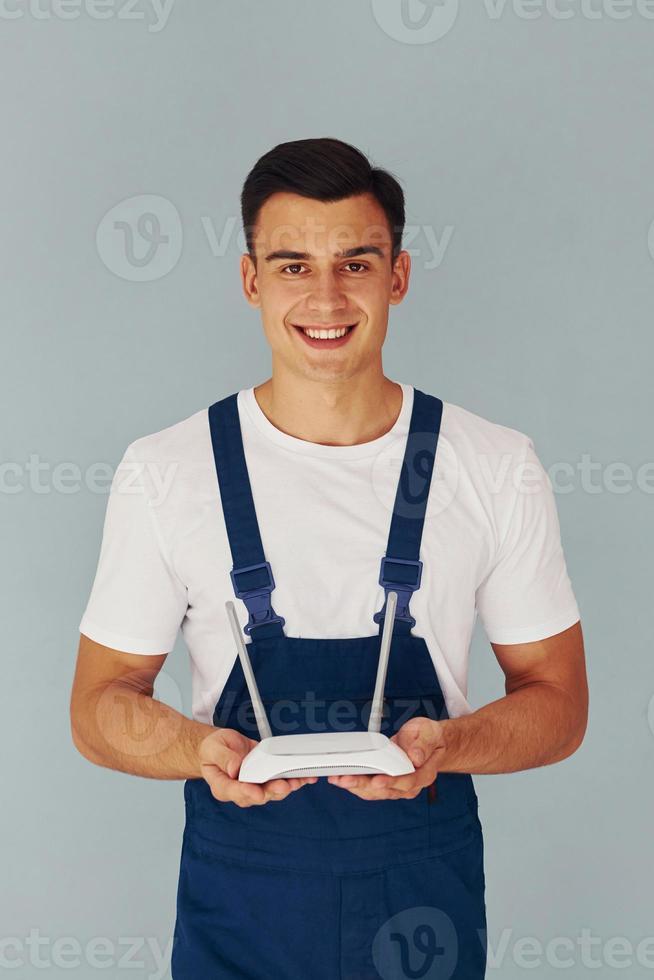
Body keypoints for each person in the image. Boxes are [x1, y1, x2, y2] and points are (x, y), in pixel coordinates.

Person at [70, 137, 588, 979]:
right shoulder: (168, 469)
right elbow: (97, 706)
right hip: (243, 902)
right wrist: (194, 751)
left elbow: (559, 704)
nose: (325, 295)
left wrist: (447, 748)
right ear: (251, 282)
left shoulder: (493, 464)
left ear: (399, 277)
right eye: (291, 265)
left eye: (355, 262)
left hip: (422, 904)